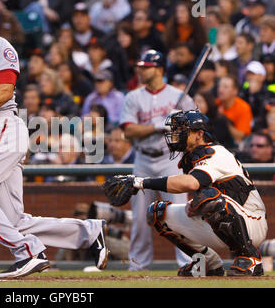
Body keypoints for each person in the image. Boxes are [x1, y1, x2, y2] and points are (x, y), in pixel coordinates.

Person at [0, 0, 109, 279]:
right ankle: (89, 233)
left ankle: (28, 252)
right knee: (14, 220)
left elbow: (4, 90)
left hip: (2, 125)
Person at [104, 110, 268, 276]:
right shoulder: (191, 158)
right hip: (224, 217)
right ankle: (208, 263)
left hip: (251, 221)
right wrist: (195, 204)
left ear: (199, 134)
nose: (176, 134)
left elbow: (191, 183)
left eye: (183, 129)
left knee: (209, 199)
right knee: (157, 212)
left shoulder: (216, 152)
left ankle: (250, 258)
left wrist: (140, 182)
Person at [119, 49, 196, 271]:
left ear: (160, 69)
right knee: (141, 217)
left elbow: (196, 126)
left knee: (180, 214)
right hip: (143, 159)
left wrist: (177, 127)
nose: (142, 70)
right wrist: (156, 126)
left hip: (170, 160)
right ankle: (137, 265)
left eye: (147, 67)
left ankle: (189, 263)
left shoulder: (178, 96)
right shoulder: (133, 96)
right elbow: (128, 130)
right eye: (141, 67)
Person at [216, 75, 253, 144]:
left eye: (225, 87)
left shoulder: (243, 108)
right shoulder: (215, 103)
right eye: (219, 86)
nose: (220, 90)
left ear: (235, 91)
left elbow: (240, 137)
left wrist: (223, 120)